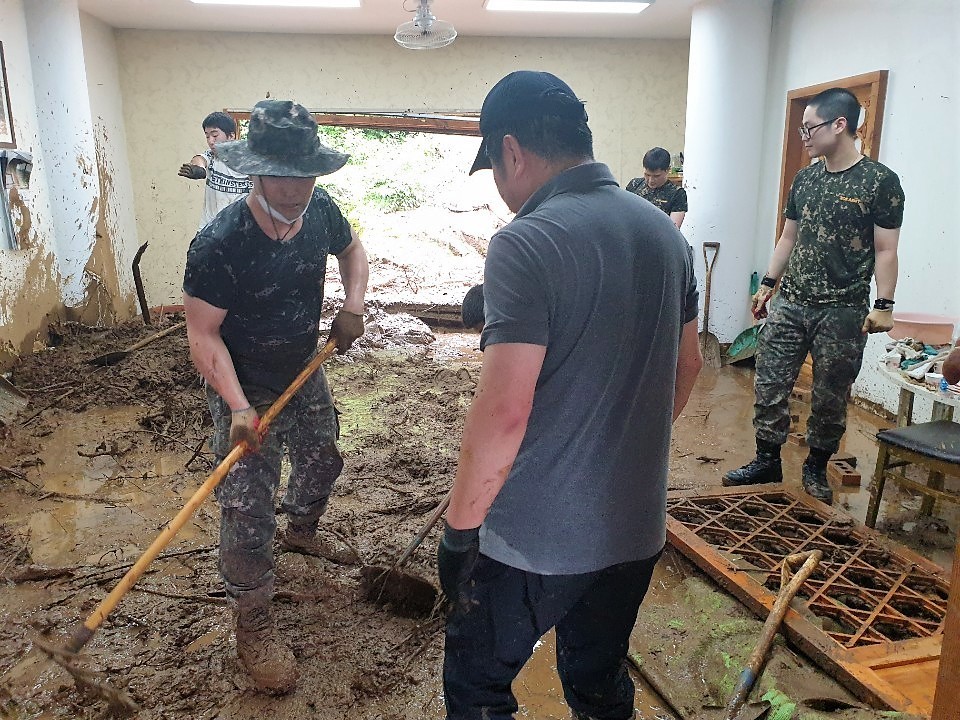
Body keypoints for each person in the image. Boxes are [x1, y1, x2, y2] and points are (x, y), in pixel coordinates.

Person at [437, 70, 702, 720]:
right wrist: (619, 454)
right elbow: (689, 366)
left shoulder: (526, 241)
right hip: (636, 530)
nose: (501, 191)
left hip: (536, 540)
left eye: (495, 171)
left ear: (513, 152)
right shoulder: (667, 236)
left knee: (476, 686)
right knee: (596, 678)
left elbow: (503, 412)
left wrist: (460, 530)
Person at [182, 100, 369, 694]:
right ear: (256, 170)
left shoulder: (320, 212)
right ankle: (253, 617)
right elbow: (202, 336)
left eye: (305, 174)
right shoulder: (220, 243)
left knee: (321, 456)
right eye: (282, 174)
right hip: (240, 378)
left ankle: (304, 529)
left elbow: (353, 251)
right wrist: (238, 406)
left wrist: (352, 306)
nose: (295, 188)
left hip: (301, 364)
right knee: (245, 502)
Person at [723, 87, 905, 505]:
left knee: (830, 393)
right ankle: (766, 458)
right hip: (792, 303)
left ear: (840, 125)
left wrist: (884, 304)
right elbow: (788, 236)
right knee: (769, 382)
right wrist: (769, 283)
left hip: (843, 310)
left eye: (810, 128)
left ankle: (815, 467)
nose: (803, 136)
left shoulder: (880, 182)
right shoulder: (805, 179)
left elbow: (886, 249)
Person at [179, 111, 254, 230]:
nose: (210, 141)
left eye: (215, 136)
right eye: (207, 136)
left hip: (238, 232)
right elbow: (199, 159)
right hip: (209, 230)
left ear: (231, 136)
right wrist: (198, 169)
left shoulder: (248, 162)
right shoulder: (212, 157)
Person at [624, 147, 687, 229]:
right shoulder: (634, 185)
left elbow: (673, 230)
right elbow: (624, 214)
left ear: (668, 170)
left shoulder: (677, 193)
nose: (651, 180)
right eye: (647, 175)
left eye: (656, 176)